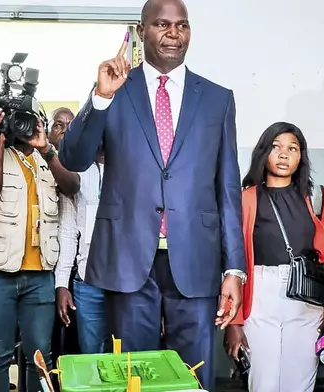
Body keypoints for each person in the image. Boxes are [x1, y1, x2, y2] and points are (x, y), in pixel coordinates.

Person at [58, 0, 246, 389]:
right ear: (141, 33)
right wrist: (100, 99)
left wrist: (234, 269)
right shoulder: (115, 92)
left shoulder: (216, 98)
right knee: (134, 374)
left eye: (182, 25)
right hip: (128, 258)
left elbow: (227, 187)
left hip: (196, 257)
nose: (174, 33)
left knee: (194, 376)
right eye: (162, 24)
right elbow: (73, 158)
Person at [0, 107, 79, 391]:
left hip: (40, 274)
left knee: (40, 357)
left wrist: (46, 148)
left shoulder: (47, 157)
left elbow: (72, 186)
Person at [223, 122, 324, 391]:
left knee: (300, 384)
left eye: (292, 148)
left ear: (301, 156)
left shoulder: (315, 196)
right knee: (262, 382)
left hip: (306, 299)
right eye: (276, 147)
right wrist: (235, 321)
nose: (284, 154)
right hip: (260, 296)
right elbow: (233, 260)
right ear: (264, 152)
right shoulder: (246, 198)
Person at [55, 148, 107, 354]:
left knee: (126, 359)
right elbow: (68, 233)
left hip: (126, 285)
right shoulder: (75, 174)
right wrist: (61, 284)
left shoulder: (131, 167)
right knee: (92, 357)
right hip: (88, 282)